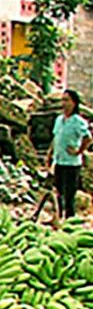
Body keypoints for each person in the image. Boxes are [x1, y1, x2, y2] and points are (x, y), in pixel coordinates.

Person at [46, 88, 92, 221]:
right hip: (59, 161)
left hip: (71, 163)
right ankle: (58, 217)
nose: (64, 103)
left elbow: (88, 138)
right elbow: (56, 138)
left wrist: (79, 151)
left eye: (67, 100)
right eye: (62, 100)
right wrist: (50, 155)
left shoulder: (78, 121)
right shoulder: (59, 120)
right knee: (59, 192)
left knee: (69, 194)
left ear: (74, 103)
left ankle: (70, 220)